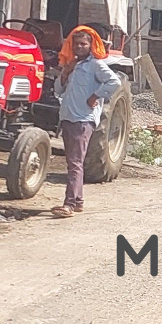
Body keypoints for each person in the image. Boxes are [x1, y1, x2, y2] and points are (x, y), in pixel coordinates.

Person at [52, 25, 121, 217]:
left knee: (75, 163)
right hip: (68, 117)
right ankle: (78, 201)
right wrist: (65, 73)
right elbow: (58, 90)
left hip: (83, 120)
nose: (79, 47)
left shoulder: (95, 65)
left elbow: (114, 82)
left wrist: (95, 96)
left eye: (83, 44)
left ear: (91, 45)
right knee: (73, 162)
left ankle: (69, 204)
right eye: (76, 44)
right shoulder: (72, 65)